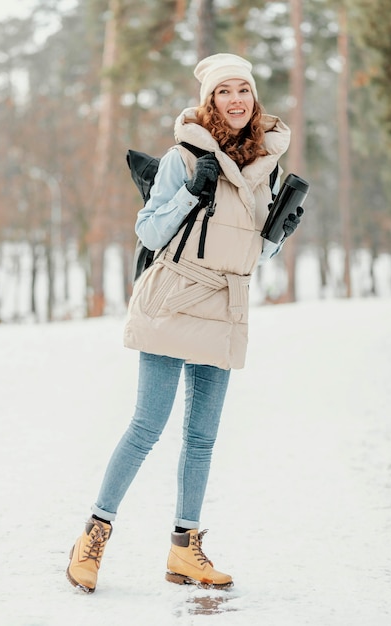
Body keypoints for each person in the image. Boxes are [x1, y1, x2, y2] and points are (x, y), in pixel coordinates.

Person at [66, 53, 301, 593]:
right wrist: (192, 191)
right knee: (147, 427)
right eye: (225, 92)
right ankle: (92, 537)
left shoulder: (268, 165)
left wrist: (277, 234)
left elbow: (252, 255)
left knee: (202, 438)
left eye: (244, 90)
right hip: (174, 297)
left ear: (255, 98)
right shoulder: (185, 155)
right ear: (209, 101)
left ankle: (184, 552)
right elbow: (149, 232)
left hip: (225, 303)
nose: (237, 100)